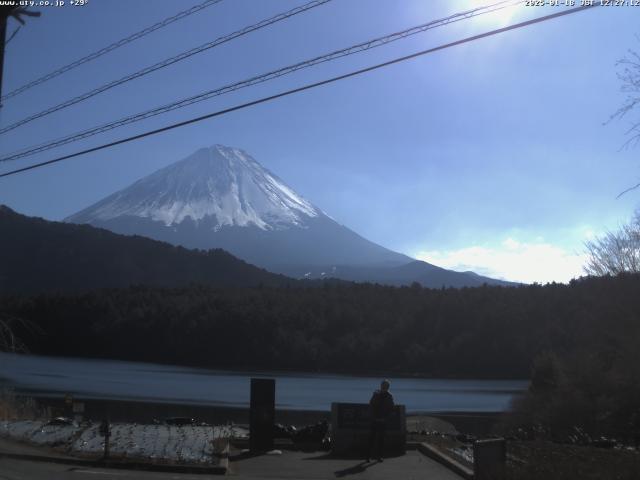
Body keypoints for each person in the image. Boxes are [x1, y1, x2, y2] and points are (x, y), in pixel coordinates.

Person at [366, 379, 394, 462]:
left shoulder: (389, 396)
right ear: (381, 386)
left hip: (383, 420)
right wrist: (373, 417)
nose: (384, 387)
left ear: (388, 387)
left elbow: (391, 408)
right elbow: (371, 406)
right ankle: (368, 456)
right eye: (383, 385)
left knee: (381, 439)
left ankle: (380, 456)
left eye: (386, 386)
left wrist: (385, 418)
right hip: (374, 420)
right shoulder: (376, 394)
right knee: (372, 438)